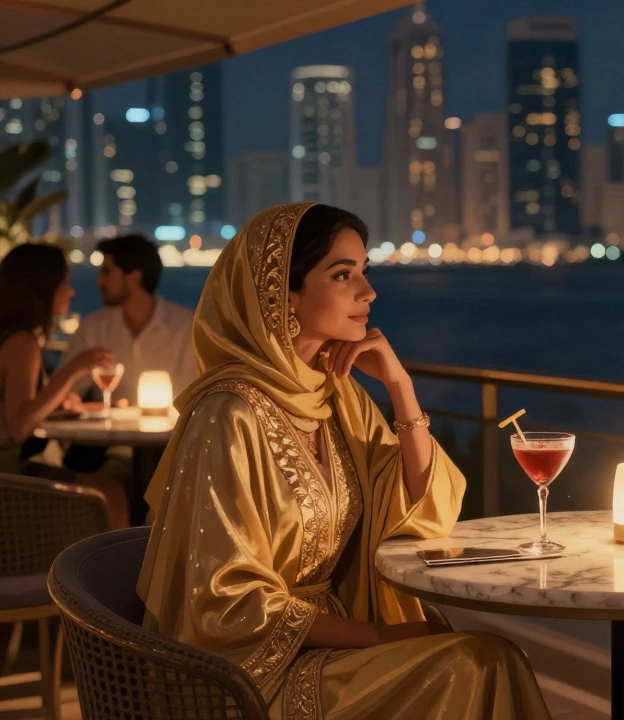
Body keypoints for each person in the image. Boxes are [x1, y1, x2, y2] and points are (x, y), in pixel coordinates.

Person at [138, 203, 551, 720]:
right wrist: (379, 635)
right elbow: (225, 598)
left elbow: (421, 509)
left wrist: (401, 389)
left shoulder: (334, 394)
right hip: (248, 674)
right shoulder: (228, 414)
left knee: (493, 657)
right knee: (477, 664)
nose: (368, 292)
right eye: (342, 275)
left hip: (329, 643)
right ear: (282, 294)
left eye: (364, 271)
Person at [0, 243, 129, 528]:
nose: (71, 291)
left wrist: (73, 405)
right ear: (42, 289)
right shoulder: (22, 343)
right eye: (64, 284)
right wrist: (75, 367)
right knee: (111, 494)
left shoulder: (11, 337)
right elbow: (19, 426)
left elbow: (15, 409)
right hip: (10, 478)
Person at [58, 234, 197, 475]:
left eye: (107, 272)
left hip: (176, 452)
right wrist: (87, 405)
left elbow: (196, 399)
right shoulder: (94, 329)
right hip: (108, 453)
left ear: (134, 276)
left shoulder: (186, 327)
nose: (98, 281)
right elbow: (65, 396)